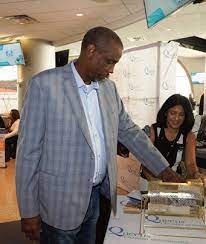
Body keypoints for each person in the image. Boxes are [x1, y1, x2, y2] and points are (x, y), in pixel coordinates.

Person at [16, 26, 183, 244]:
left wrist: (163, 169)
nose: (112, 70)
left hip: (95, 199)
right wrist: (28, 211)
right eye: (109, 61)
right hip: (58, 203)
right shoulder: (44, 85)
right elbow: (28, 153)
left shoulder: (108, 89)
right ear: (91, 51)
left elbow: (131, 132)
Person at [141, 94, 205, 182]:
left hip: (173, 183)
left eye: (181, 115)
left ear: (186, 116)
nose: (176, 118)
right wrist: (154, 182)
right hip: (149, 182)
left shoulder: (189, 136)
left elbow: (190, 165)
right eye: (173, 113)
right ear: (166, 112)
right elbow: (146, 162)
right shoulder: (153, 130)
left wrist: (196, 174)